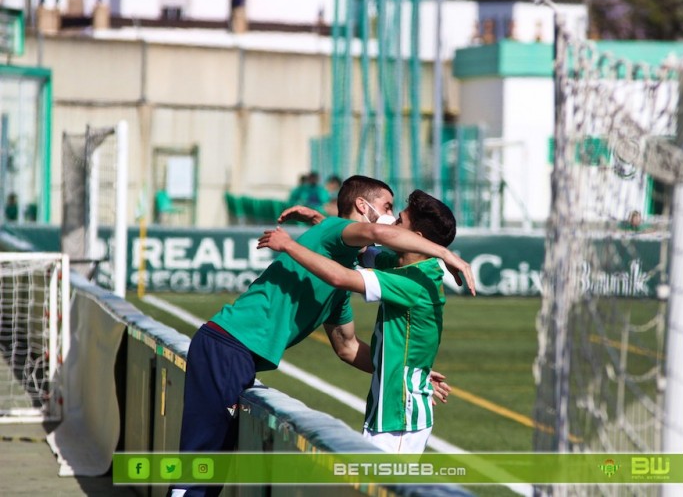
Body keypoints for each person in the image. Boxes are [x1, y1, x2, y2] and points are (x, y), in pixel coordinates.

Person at [171, 176, 474, 497]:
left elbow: (347, 346)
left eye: (397, 216)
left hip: (399, 411)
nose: (390, 219)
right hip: (229, 346)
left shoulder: (402, 274)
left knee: (207, 468)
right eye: (388, 209)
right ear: (362, 207)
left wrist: (409, 370)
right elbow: (369, 237)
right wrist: (446, 253)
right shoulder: (358, 245)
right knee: (201, 466)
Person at [260, 189, 457, 454]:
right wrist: (322, 222)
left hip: (400, 416)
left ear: (416, 239)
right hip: (390, 410)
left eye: (399, 222)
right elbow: (362, 251)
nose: (391, 226)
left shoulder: (414, 282)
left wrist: (289, 245)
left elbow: (341, 277)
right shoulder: (401, 264)